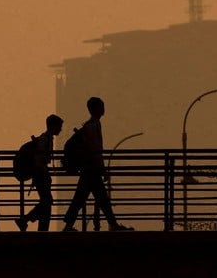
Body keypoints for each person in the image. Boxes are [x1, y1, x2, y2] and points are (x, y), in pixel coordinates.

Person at [62, 97, 133, 231]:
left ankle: (69, 226)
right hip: (91, 170)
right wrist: (102, 169)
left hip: (89, 169)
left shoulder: (92, 125)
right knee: (95, 199)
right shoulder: (92, 126)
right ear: (94, 109)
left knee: (85, 199)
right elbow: (95, 151)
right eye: (101, 106)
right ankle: (113, 225)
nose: (103, 109)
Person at [15, 114, 63, 231]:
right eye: (59, 126)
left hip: (40, 174)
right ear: (52, 126)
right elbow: (39, 158)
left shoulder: (46, 138)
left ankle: (41, 227)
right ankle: (25, 220)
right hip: (41, 175)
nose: (60, 129)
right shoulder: (45, 139)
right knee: (47, 201)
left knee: (46, 202)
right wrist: (42, 170)